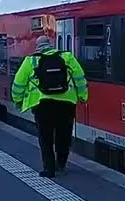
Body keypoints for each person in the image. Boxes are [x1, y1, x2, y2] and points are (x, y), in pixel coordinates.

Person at [11, 36, 89, 177]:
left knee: (45, 137)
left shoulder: (31, 60)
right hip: (66, 103)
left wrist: (17, 100)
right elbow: (80, 78)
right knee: (63, 135)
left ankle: (49, 169)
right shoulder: (67, 57)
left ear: (37, 46)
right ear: (51, 45)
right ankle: (61, 164)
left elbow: (18, 83)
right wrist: (83, 96)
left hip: (42, 105)